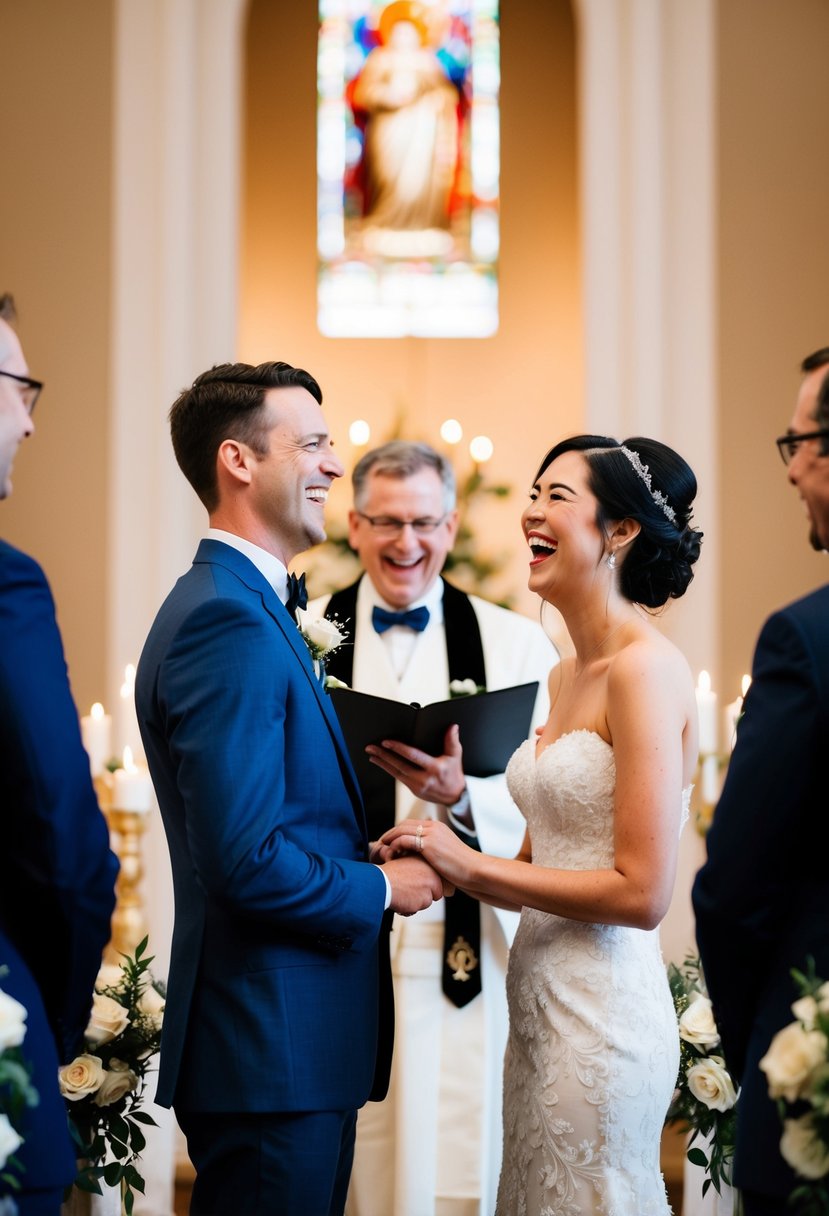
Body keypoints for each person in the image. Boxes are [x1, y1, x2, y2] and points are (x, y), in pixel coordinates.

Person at [134, 362, 445, 1216]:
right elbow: (242, 861)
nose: (333, 465)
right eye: (310, 443)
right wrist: (384, 885)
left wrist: (364, 843)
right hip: (269, 1050)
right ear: (238, 461)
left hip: (286, 1050)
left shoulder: (250, 603)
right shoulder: (223, 618)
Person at [375, 434, 703, 1214]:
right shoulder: (561, 672)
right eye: (532, 493)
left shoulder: (644, 669)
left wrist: (460, 863)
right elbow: (539, 864)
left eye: (558, 496)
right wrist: (452, 804)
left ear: (619, 531)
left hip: (604, 1020)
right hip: (538, 1005)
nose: (531, 511)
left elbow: (641, 893)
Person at [308, 440, 555, 1216]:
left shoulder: (515, 644)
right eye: (384, 521)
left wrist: (467, 794)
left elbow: (554, 801)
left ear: (450, 527)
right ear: (353, 524)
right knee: (359, 1164)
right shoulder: (300, 634)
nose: (404, 542)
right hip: (342, 936)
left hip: (467, 953)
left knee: (462, 1155)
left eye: (422, 522)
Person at [693, 349, 829, 1216]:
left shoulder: (805, 641)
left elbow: (733, 891)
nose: (789, 467)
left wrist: (768, 1050)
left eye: (800, 439)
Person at [0, 294, 118, 1214]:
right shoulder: (7, 580)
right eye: (18, 387)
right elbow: (63, 842)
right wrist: (54, 1014)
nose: (30, 420)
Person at [350, 2, 461, 257]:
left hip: (422, 134)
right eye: (399, 31)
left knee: (419, 180)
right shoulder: (380, 59)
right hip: (390, 132)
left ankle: (424, 224)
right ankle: (385, 221)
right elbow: (363, 94)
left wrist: (433, 101)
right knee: (390, 177)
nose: (404, 37)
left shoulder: (427, 62)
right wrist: (390, 96)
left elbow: (447, 94)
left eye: (409, 31)